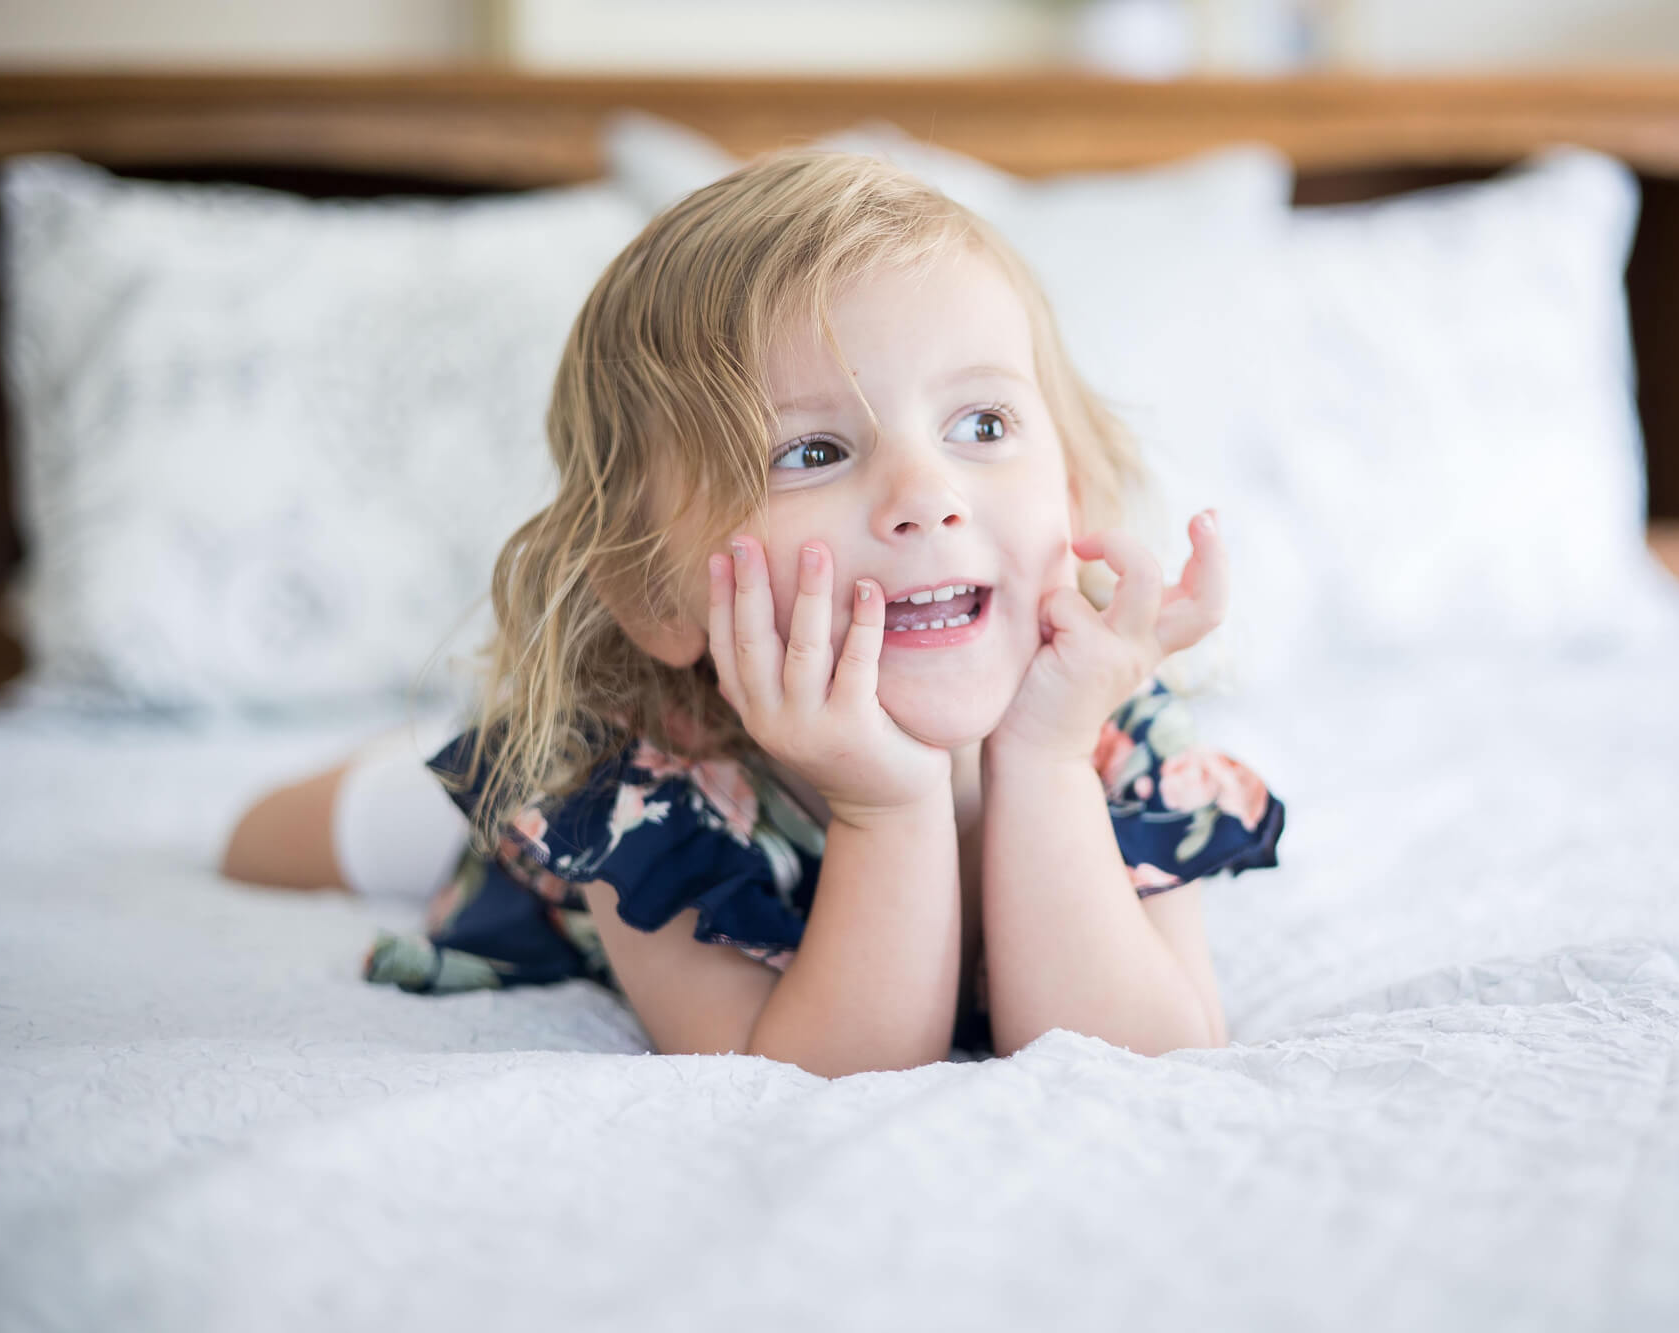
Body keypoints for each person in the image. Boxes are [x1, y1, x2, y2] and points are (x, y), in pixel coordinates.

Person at [220, 148, 1285, 1077]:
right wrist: (888, 809)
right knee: (297, 834)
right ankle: (407, 765)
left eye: (982, 421)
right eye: (813, 451)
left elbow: (1153, 1053)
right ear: (653, 590)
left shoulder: (1109, 732)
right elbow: (811, 1072)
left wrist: (1045, 761)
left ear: (1076, 499)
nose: (925, 496)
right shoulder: (640, 793)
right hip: (541, 824)